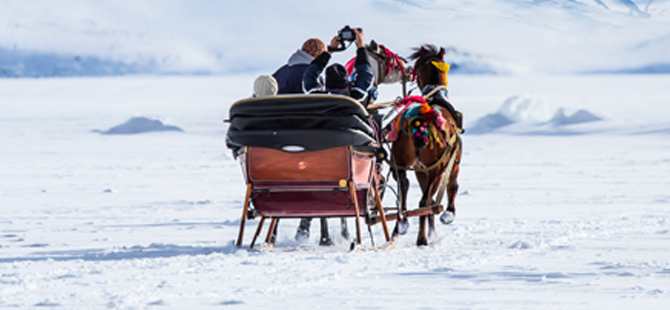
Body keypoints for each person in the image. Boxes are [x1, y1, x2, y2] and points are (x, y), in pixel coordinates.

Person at [302, 28, 374, 106]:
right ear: (347, 87)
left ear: (325, 86)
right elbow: (366, 75)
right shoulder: (353, 99)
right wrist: (361, 46)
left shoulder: (318, 99)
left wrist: (329, 52)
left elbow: (310, 73)